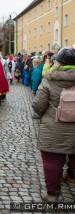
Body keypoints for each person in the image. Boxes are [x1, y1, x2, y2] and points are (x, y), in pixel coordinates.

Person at [31, 46, 75, 202]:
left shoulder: (50, 79)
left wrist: (43, 114)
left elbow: (38, 104)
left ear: (59, 62)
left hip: (54, 127)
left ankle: (52, 194)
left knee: (52, 160)